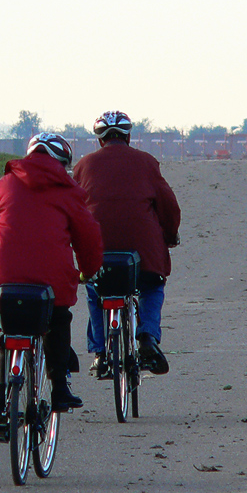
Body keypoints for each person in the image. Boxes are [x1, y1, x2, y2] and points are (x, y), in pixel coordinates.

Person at [0, 132, 104, 438]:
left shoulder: (5, 186)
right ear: (62, 163)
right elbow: (88, 239)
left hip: (5, 283)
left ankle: (0, 408)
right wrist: (89, 270)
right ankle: (59, 388)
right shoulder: (68, 191)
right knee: (58, 319)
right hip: (50, 284)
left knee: (10, 334)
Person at [72, 111, 181, 376]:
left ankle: (100, 353)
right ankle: (147, 337)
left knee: (95, 291)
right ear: (129, 136)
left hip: (99, 249)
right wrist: (170, 234)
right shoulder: (146, 162)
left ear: (99, 139)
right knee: (152, 287)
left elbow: (73, 208)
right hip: (142, 251)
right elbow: (168, 204)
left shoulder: (84, 165)